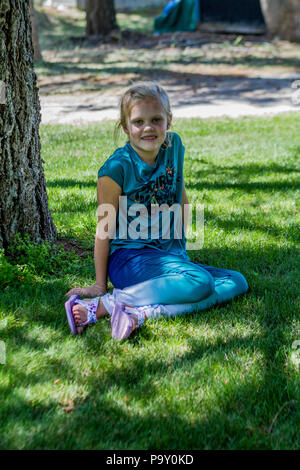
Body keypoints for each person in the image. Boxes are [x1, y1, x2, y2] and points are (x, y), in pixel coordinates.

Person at [65, 81, 248, 340]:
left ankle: (142, 313)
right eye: (138, 122)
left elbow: (181, 199)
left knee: (236, 281)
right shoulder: (116, 169)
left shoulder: (173, 148)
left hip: (167, 258)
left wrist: (179, 253)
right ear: (125, 127)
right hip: (130, 260)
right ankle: (104, 303)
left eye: (156, 119)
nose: (148, 128)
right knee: (202, 283)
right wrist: (98, 284)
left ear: (169, 121)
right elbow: (104, 229)